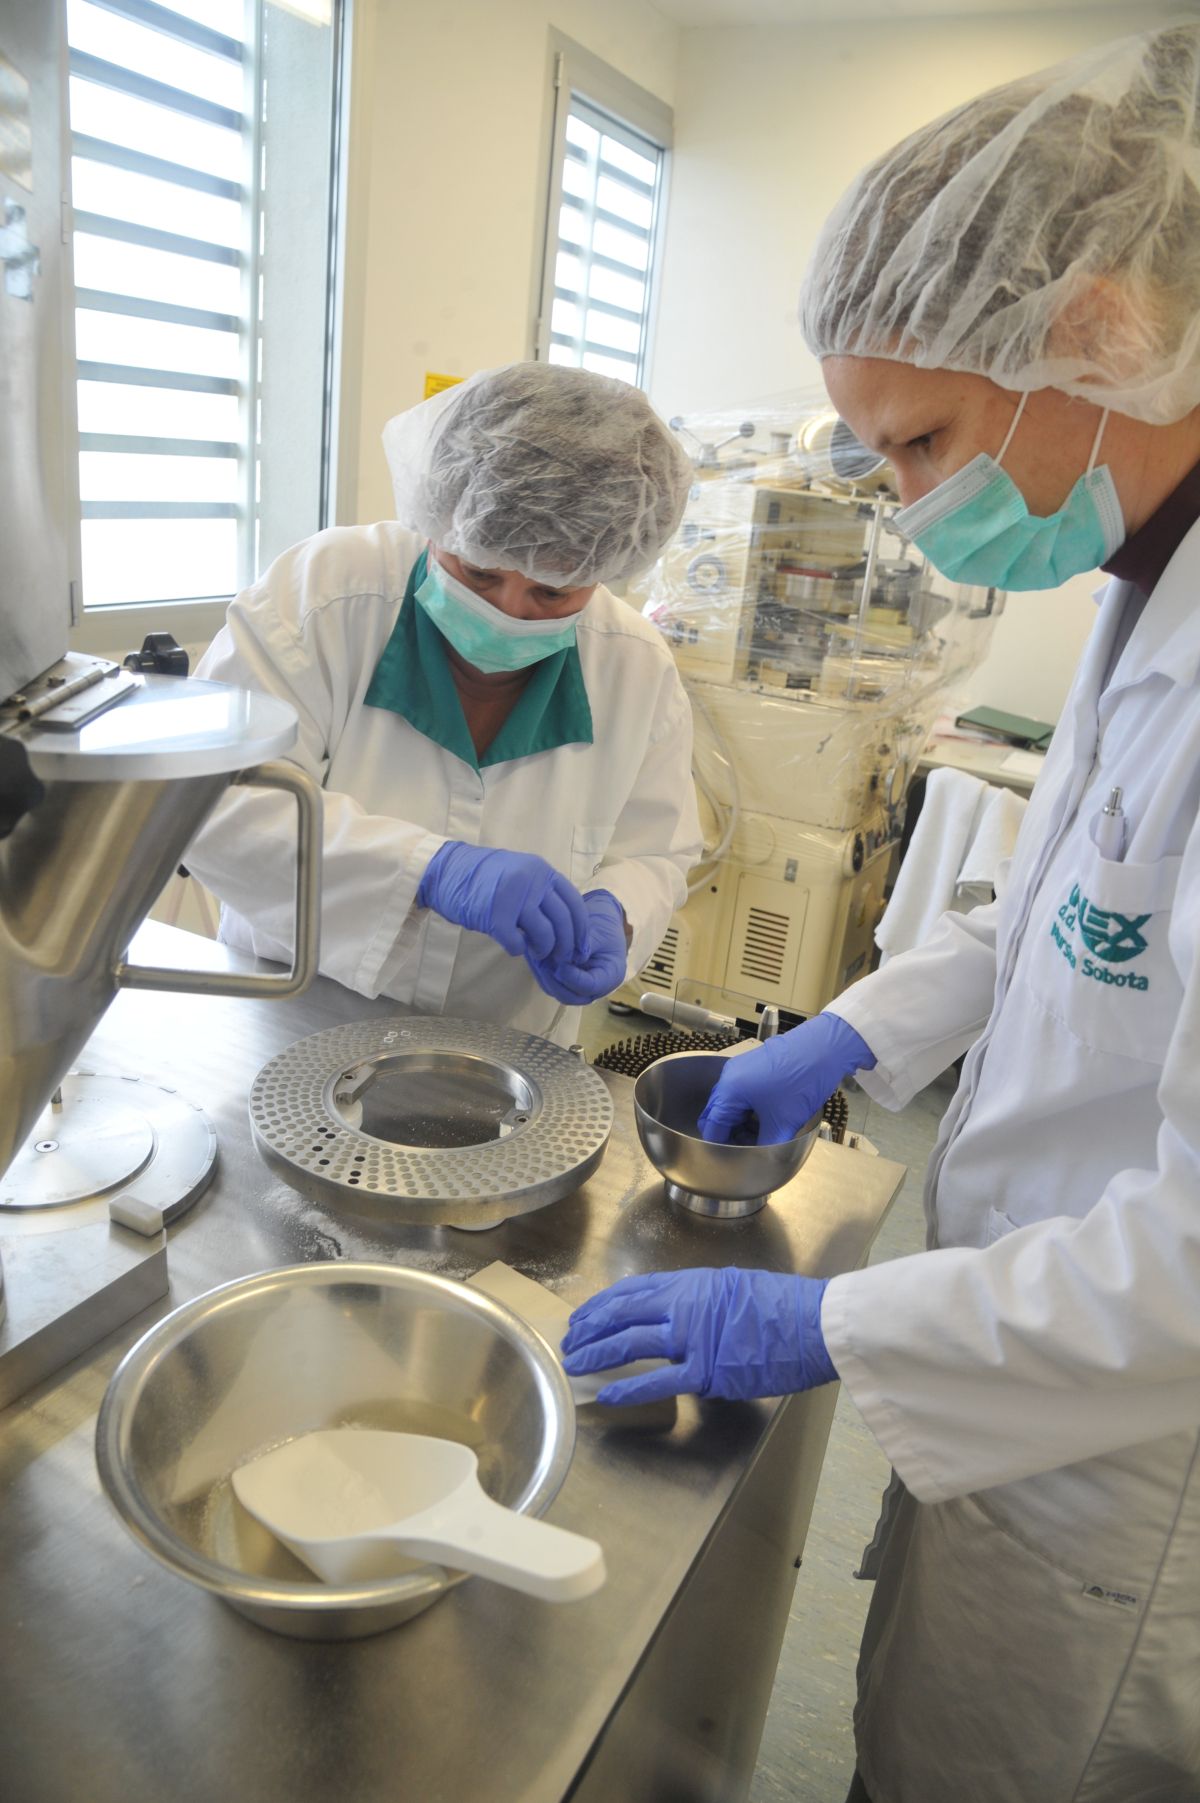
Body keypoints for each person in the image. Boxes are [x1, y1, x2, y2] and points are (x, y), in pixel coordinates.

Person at [562, 27, 1200, 1802]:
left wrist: (834, 1326)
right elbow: (1072, 903)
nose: (913, 509)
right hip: (1033, 1370)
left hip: (1135, 1476)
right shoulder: (1150, 583)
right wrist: (854, 1023)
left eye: (922, 441)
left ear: (1103, 337)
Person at [186, 362, 701, 1043]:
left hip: (501, 1058)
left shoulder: (635, 667)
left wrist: (620, 909)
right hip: (291, 1025)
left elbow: (658, 850)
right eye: (480, 572)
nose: (510, 610)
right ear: (437, 517)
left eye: (553, 591)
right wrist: (428, 871)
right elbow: (215, 802)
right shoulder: (322, 599)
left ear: (607, 567)